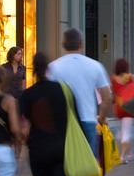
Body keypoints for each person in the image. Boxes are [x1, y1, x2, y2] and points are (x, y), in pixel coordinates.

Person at [47, 27, 112, 157]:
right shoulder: (95, 66)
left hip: (63, 123)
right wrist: (102, 117)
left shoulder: (53, 67)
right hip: (88, 121)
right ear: (81, 43)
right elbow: (107, 98)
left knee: (66, 165)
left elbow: (47, 98)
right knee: (89, 166)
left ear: (63, 44)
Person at [19, 52, 71, 176]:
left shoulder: (27, 94)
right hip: (62, 150)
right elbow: (74, 122)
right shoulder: (64, 90)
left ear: (33, 70)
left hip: (38, 154)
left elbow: (23, 128)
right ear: (49, 68)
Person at [111, 58, 134, 164]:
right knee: (126, 133)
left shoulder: (113, 78)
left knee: (121, 131)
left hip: (118, 107)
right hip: (129, 107)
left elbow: (113, 92)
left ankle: (128, 152)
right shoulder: (130, 77)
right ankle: (122, 156)